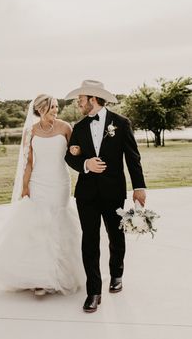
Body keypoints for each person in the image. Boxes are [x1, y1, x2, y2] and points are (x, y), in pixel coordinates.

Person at [0, 95, 83, 296]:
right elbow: (29, 162)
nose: (56, 111)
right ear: (41, 109)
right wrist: (25, 187)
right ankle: (40, 279)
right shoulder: (30, 131)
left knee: (59, 223)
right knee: (38, 227)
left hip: (60, 182)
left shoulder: (66, 127)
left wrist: (77, 151)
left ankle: (61, 274)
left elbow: (75, 152)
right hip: (38, 182)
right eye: (52, 107)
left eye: (57, 107)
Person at [65, 80, 146, 312]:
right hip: (86, 194)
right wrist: (86, 164)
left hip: (113, 192)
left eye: (81, 98)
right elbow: (70, 157)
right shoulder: (79, 128)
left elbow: (133, 158)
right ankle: (93, 291)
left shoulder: (121, 123)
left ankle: (117, 275)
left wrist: (139, 187)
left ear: (92, 98)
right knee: (89, 240)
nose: (78, 102)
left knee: (115, 236)